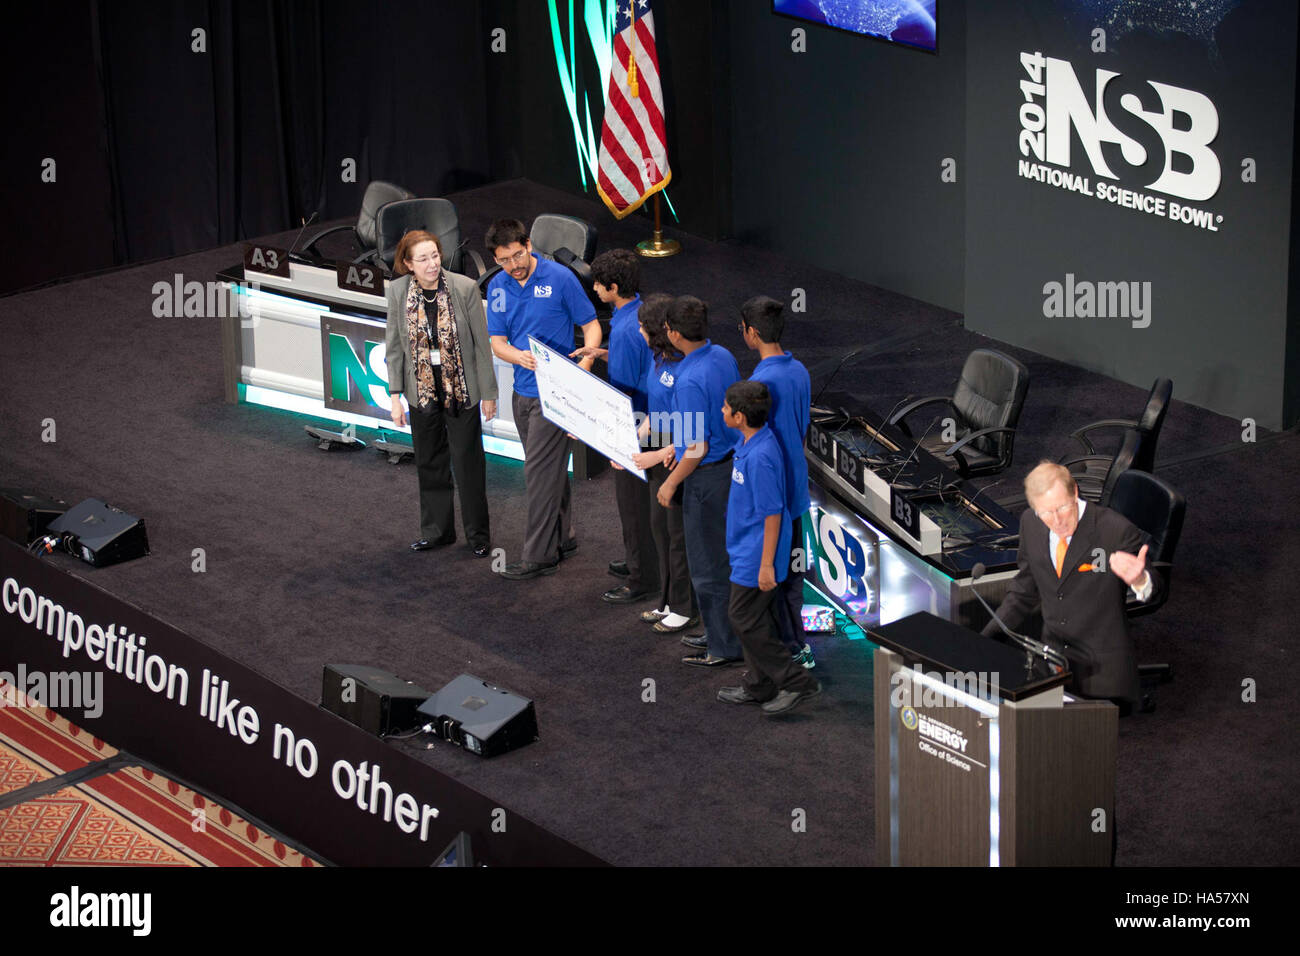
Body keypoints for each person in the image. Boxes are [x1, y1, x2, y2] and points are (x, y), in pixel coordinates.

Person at [981, 461, 1162, 713]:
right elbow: (1024, 590)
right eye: (1045, 512)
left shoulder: (1115, 531)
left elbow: (1156, 592)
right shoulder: (1030, 524)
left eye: (1063, 507)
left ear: (1075, 492)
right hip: (1052, 661)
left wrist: (1140, 580)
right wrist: (986, 639)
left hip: (1103, 672)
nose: (1056, 520)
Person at [485, 219, 601, 580]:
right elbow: (497, 341)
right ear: (496, 259)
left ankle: (539, 555)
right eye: (505, 259)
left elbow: (592, 325)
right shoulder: (498, 287)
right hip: (522, 392)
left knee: (537, 474)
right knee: (549, 471)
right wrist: (515, 356)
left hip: (557, 394)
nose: (514, 264)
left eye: (518, 254)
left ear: (529, 244)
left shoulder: (560, 278)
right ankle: (564, 537)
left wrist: (586, 361)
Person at [385, 230, 495, 557]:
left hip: (461, 391)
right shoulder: (397, 292)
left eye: (435, 255)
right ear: (408, 264)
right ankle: (436, 532)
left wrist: (488, 392)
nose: (432, 264)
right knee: (429, 463)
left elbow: (481, 346)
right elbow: (393, 348)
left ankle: (479, 537)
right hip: (421, 392)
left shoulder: (464, 288)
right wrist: (394, 396)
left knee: (468, 465)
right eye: (423, 259)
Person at [715, 381, 822, 715]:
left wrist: (765, 566)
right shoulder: (752, 442)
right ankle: (760, 684)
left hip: (757, 555)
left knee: (742, 618)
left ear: (740, 416)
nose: (722, 411)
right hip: (748, 550)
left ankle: (797, 681)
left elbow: (773, 514)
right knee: (756, 617)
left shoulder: (760, 457)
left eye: (726, 407)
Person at [656, 296, 742, 666]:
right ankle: (718, 631)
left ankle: (723, 647)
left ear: (674, 334)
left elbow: (697, 446)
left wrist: (670, 483)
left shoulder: (689, 380)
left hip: (706, 480)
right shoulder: (722, 355)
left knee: (707, 567)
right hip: (728, 469)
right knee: (721, 560)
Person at [741, 295, 814, 669]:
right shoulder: (799, 369)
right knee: (794, 577)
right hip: (797, 492)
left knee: (775, 575)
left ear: (751, 333)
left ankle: (790, 651)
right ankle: (796, 644)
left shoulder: (761, 383)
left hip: (775, 495)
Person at [590, 249, 659, 605]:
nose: (596, 290)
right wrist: (605, 353)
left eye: (599, 285)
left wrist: (614, 435)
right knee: (646, 505)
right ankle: (645, 561)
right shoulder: (641, 315)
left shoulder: (625, 329)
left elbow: (625, 388)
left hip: (636, 426)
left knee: (632, 506)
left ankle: (642, 577)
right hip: (653, 422)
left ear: (613, 287)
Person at [630, 294, 698, 634]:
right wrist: (636, 438)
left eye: (643, 326)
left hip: (678, 456)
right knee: (660, 527)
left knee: (677, 535)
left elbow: (692, 431)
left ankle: (686, 608)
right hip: (659, 449)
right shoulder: (656, 358)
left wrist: (657, 453)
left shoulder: (684, 368)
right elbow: (656, 413)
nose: (639, 330)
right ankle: (669, 600)